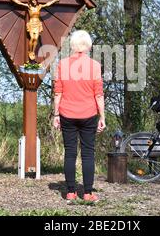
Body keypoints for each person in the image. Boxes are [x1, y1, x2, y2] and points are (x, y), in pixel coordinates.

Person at [52, 30, 105, 202]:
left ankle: (70, 192)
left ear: (73, 45)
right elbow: (99, 95)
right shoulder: (95, 66)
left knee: (70, 153)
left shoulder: (63, 64)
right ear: (88, 46)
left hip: (67, 113)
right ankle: (88, 193)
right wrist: (102, 116)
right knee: (88, 154)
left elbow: (58, 93)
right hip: (89, 114)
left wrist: (56, 114)